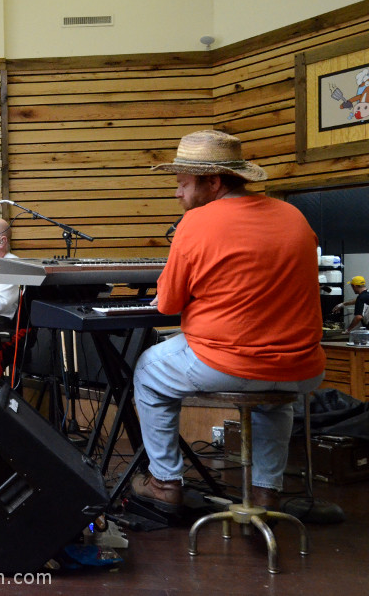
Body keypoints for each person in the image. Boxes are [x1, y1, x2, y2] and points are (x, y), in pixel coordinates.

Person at [132, 130, 325, 512]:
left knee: (148, 371)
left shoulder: (195, 223)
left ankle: (164, 483)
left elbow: (168, 303)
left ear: (213, 182)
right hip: (300, 367)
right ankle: (266, 493)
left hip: (226, 364)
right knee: (276, 402)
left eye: (183, 184)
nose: (178, 194)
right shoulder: (294, 216)